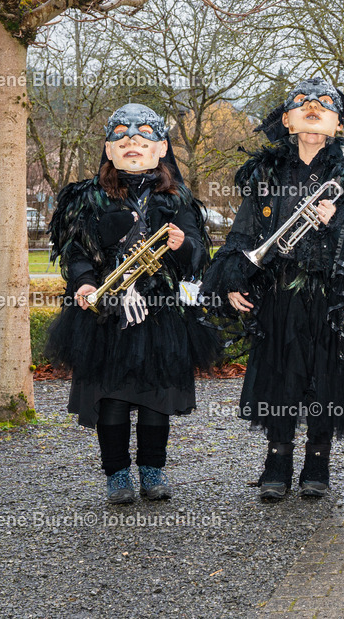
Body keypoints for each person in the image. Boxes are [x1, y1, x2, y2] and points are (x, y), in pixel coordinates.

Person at [201, 77, 344, 500]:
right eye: (302, 103)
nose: (313, 108)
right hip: (280, 293)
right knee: (281, 378)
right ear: (286, 120)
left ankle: (318, 463)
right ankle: (276, 462)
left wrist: (338, 221)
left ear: (339, 123)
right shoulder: (268, 172)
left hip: (333, 297)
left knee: (326, 378)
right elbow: (244, 233)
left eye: (325, 105)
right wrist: (233, 279)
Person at [46, 103, 218, 504]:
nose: (132, 143)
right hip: (105, 312)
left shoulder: (178, 198)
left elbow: (198, 257)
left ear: (161, 149)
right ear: (108, 149)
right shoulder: (86, 196)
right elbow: (75, 251)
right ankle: (117, 475)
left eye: (143, 138)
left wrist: (183, 244)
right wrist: (84, 284)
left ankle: (153, 470)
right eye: (121, 138)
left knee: (157, 396)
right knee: (112, 396)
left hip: (161, 312)